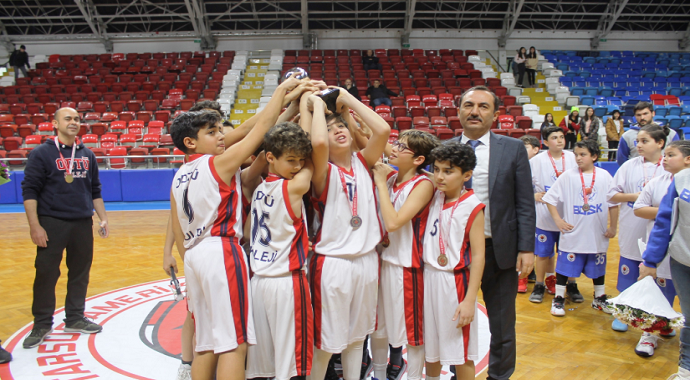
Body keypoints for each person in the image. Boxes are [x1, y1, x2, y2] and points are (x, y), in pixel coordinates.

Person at [168, 75, 309, 380]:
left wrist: (287, 110)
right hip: (221, 250)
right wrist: (283, 92)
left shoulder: (179, 176)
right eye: (212, 133)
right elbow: (255, 131)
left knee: (205, 343)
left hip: (193, 256)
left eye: (220, 130)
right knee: (235, 344)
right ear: (191, 142)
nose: (221, 137)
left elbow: (178, 230)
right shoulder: (216, 163)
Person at [307, 84, 390, 380]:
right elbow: (316, 144)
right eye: (331, 129)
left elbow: (381, 129)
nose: (338, 130)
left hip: (367, 260)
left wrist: (346, 97)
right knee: (326, 343)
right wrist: (318, 105)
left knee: (357, 339)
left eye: (341, 125)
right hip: (333, 263)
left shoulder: (364, 162)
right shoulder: (321, 170)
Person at [451, 86, 535, 380]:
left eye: (483, 107)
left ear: (496, 114)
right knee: (454, 322)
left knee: (502, 325)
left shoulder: (512, 149)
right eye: (469, 105)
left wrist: (527, 248)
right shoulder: (444, 148)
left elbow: (524, 202)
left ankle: (498, 376)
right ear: (459, 110)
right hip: (454, 254)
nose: (475, 111)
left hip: (499, 251)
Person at [21, 107, 109, 349]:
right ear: (55, 123)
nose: (73, 122)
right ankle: (41, 323)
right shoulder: (41, 153)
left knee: (80, 274)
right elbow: (29, 191)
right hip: (51, 222)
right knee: (46, 274)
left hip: (82, 223)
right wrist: (34, 226)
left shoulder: (87, 155)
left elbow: (95, 190)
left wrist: (103, 218)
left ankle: (74, 318)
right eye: (68, 118)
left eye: (77, 119)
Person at [245, 120, 316, 380]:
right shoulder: (294, 186)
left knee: (263, 366)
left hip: (259, 282)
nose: (297, 166)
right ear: (271, 158)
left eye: (299, 160)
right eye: (292, 160)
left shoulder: (259, 189)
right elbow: (313, 162)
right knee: (293, 365)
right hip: (287, 284)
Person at [370, 130, 439, 380]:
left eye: (401, 147)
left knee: (413, 334)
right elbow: (369, 139)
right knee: (379, 328)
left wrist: (379, 182)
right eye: (396, 144)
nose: (394, 149)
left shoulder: (424, 184)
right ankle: (378, 374)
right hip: (382, 263)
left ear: (419, 159)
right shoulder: (392, 177)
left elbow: (393, 222)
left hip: (408, 268)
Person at [422, 141, 486, 380]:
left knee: (461, 352)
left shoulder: (473, 206)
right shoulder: (432, 193)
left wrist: (470, 300)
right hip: (428, 277)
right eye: (436, 169)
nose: (439, 176)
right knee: (432, 348)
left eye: (448, 171)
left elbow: (479, 257)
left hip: (454, 283)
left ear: (466, 175)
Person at [542, 139, 618, 317]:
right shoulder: (568, 176)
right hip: (573, 232)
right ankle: (559, 298)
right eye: (576, 154)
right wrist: (558, 221)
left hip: (596, 233)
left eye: (583, 154)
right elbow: (549, 199)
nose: (578, 158)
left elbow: (614, 203)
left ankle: (599, 298)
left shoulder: (605, 176)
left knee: (598, 266)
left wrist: (613, 226)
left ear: (594, 156)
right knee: (564, 267)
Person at [608, 124, 670, 334]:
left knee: (661, 276)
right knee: (629, 271)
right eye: (637, 142)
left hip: (660, 231)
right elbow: (612, 196)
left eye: (645, 141)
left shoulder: (670, 168)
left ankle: (661, 318)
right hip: (632, 226)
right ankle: (624, 314)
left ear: (659, 143)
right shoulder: (629, 166)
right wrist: (635, 197)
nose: (639, 145)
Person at [632, 140, 690, 357]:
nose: (664, 159)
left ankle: (670, 328)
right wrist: (651, 258)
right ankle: (649, 334)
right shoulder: (660, 182)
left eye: (671, 155)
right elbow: (659, 218)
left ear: (687, 159)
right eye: (664, 155)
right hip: (665, 253)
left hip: (682, 254)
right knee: (657, 293)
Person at [529, 126, 581, 304]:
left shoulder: (574, 158)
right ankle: (539, 284)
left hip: (568, 214)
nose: (559, 140)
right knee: (543, 254)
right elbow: (523, 184)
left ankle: (571, 284)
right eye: (554, 137)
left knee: (570, 252)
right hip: (544, 215)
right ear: (545, 142)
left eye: (561, 137)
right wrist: (533, 195)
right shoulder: (537, 161)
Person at [617, 101, 679, 165]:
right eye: (638, 115)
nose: (642, 118)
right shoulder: (627, 136)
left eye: (645, 114)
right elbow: (622, 159)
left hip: (664, 172)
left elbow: (677, 155)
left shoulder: (670, 133)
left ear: (653, 113)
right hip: (638, 173)